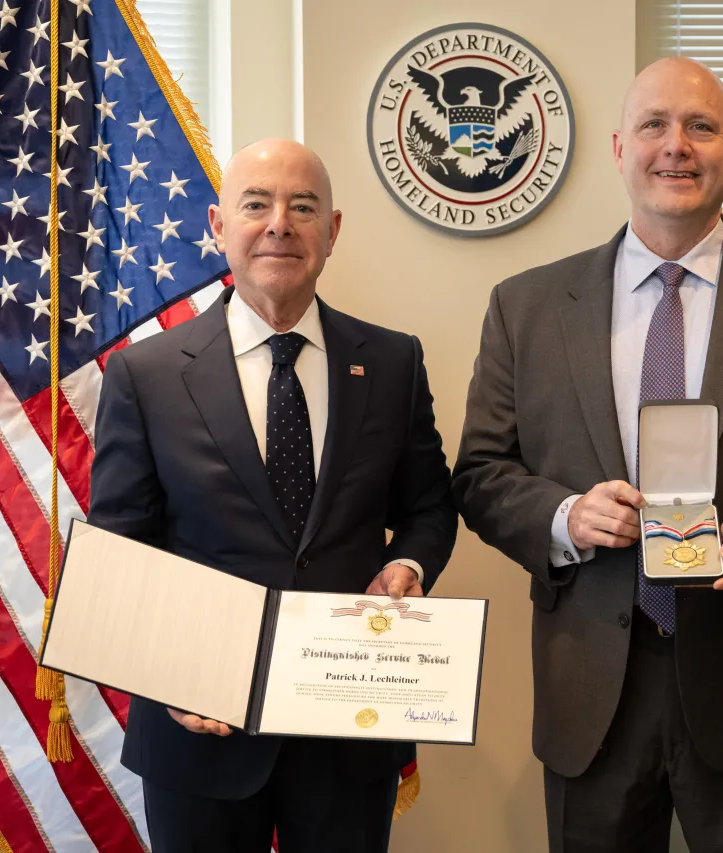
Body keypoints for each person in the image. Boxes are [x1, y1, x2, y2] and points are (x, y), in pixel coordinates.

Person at [452, 57, 723, 852]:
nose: (675, 146)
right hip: (592, 687)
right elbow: (481, 471)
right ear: (621, 146)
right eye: (654, 125)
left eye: (701, 127)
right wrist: (565, 515)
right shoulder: (528, 305)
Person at [87, 138, 457, 852]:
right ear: (218, 227)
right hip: (199, 727)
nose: (280, 223)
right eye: (256, 204)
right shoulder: (146, 374)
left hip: (348, 725)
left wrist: (408, 565)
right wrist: (160, 670)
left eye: (303, 206)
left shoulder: (391, 361)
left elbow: (429, 507)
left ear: (333, 231)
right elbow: (117, 552)